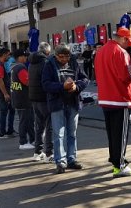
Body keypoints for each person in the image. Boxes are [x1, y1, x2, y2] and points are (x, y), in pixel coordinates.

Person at [94, 28, 131, 178]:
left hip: (105, 97)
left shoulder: (100, 51)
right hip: (120, 98)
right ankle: (119, 165)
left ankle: (114, 159)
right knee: (121, 134)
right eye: (128, 41)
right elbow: (126, 76)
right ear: (124, 39)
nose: (128, 45)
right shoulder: (121, 53)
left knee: (112, 133)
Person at [42, 44, 89, 174]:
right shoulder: (49, 64)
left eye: (66, 56)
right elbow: (46, 84)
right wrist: (62, 86)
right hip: (57, 103)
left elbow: (84, 79)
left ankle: (71, 159)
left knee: (72, 133)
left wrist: (77, 87)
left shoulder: (74, 62)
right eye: (61, 57)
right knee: (58, 134)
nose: (64, 59)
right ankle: (60, 161)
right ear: (56, 55)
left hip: (73, 102)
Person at [29, 42, 54, 162]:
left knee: (39, 126)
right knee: (49, 127)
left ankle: (37, 152)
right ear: (47, 52)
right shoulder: (45, 62)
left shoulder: (31, 63)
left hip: (34, 98)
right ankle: (49, 153)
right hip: (44, 98)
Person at [11, 49, 35, 150]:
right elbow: (27, 82)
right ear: (20, 57)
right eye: (24, 56)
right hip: (22, 99)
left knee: (29, 120)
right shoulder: (20, 68)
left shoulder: (14, 67)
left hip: (19, 98)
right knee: (24, 121)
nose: (26, 58)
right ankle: (23, 142)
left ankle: (33, 139)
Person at [0, 48, 16, 139]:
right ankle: (3, 132)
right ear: (4, 55)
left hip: (3, 91)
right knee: (4, 111)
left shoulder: (0, 64)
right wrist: (5, 94)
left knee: (11, 109)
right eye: (8, 55)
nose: (9, 57)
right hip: (2, 92)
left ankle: (10, 130)